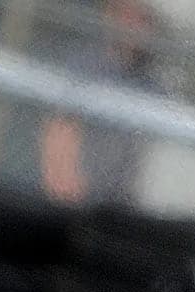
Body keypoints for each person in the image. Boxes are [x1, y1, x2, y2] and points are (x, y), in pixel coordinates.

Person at [39, 0, 159, 205]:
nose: (135, 27)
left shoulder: (147, 84)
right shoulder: (86, 67)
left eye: (143, 19)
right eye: (128, 16)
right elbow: (61, 127)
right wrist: (64, 185)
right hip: (75, 197)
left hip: (116, 202)